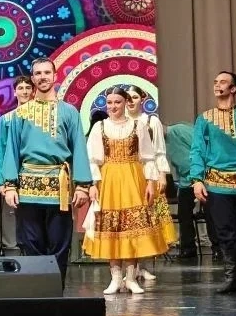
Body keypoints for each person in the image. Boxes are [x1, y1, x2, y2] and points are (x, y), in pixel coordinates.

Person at [0, 58, 92, 283]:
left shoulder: (69, 112)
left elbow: (79, 148)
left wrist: (82, 185)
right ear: (32, 78)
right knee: (31, 244)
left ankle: (55, 292)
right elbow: (11, 149)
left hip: (59, 188)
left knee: (59, 245)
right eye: (38, 73)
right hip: (28, 187)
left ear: (55, 76)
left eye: (47, 73)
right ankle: (37, 291)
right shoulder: (20, 114)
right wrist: (10, 185)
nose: (42, 77)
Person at [83, 87, 168, 294]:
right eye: (109, 102)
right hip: (109, 179)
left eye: (117, 102)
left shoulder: (138, 126)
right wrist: (93, 184)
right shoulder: (100, 127)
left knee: (133, 225)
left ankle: (130, 278)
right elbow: (92, 159)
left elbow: (147, 156)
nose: (113, 106)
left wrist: (150, 182)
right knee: (112, 226)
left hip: (133, 177)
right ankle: (115, 278)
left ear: (124, 103)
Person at [189, 70, 236, 294]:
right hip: (217, 184)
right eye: (215, 82)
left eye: (223, 82)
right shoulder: (204, 118)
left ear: (233, 88)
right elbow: (197, 150)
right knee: (225, 231)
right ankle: (231, 277)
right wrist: (196, 179)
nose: (217, 85)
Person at [126, 86, 177, 281]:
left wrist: (162, 175)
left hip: (149, 174)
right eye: (128, 98)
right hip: (128, 174)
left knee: (149, 221)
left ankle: (143, 266)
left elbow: (159, 151)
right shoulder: (120, 122)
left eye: (135, 97)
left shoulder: (151, 121)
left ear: (142, 99)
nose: (131, 101)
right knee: (131, 221)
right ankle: (130, 268)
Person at [0, 76, 33, 252]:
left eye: (28, 88)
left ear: (33, 91)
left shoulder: (38, 117)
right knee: (11, 211)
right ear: (15, 92)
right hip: (12, 171)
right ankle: (13, 245)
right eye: (21, 88)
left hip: (31, 169)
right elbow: (0, 149)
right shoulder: (6, 119)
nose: (24, 91)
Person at [165, 122, 200, 258]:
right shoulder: (162, 143)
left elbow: (200, 146)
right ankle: (188, 248)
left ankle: (218, 248)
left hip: (201, 177)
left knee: (211, 213)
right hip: (185, 181)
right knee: (184, 214)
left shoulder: (178, 130)